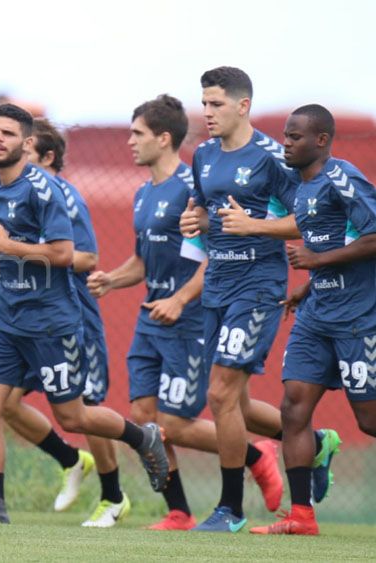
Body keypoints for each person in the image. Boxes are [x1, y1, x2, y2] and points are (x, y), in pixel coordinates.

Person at [0, 103, 169, 525]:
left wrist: (7, 248)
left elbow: (65, 254)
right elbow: (8, 245)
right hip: (6, 317)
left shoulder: (46, 190)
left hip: (51, 321)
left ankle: (143, 438)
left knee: (73, 415)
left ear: (28, 144)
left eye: (8, 134)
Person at [89, 94, 282, 531]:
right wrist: (110, 280)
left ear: (163, 138)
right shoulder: (143, 193)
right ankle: (178, 511)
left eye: (137, 133)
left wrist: (181, 299)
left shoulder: (192, 185)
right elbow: (142, 262)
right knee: (143, 418)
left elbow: (213, 254)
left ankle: (256, 454)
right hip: (149, 317)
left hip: (188, 319)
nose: (129, 141)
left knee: (174, 424)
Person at [179, 67, 336, 532]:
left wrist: (255, 227)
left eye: (217, 104)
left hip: (258, 286)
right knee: (237, 404)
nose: (207, 113)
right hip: (218, 286)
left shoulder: (272, 157)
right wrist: (197, 223)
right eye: (204, 104)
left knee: (220, 393)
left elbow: (307, 219)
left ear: (242, 106)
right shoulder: (203, 156)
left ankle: (230, 509)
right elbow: (209, 214)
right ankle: (318, 440)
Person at [250, 105, 376, 535]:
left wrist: (317, 259)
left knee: (369, 420)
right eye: (285, 135)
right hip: (316, 316)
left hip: (359, 318)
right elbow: (336, 243)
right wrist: (307, 285)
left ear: (321, 140)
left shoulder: (341, 176)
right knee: (293, 409)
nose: (286, 142)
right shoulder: (300, 190)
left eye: (295, 137)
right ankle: (301, 516)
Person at [0, 117, 124, 527]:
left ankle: (114, 497)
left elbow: (86, 258)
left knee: (85, 406)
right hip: (28, 319)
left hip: (71, 318)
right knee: (3, 402)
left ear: (47, 156)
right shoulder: (17, 194)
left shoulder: (66, 197)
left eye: (28, 152)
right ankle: (70, 459)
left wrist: (27, 251)